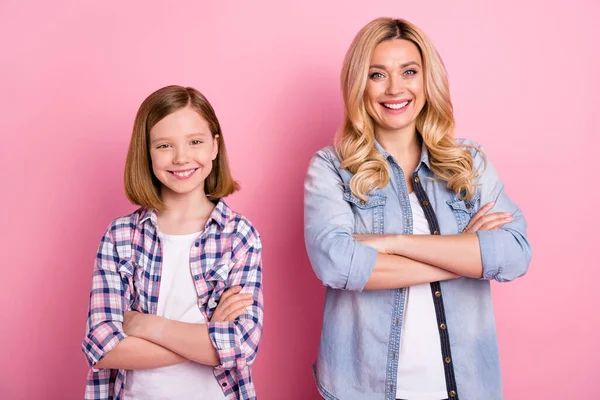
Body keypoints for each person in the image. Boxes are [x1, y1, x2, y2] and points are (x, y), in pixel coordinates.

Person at [304, 18, 531, 400]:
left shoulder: (468, 162)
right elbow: (337, 263)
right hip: (364, 389)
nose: (395, 88)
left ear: (428, 80)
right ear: (360, 83)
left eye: (409, 71)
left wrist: (391, 242)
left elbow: (514, 254)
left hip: (466, 387)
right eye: (378, 74)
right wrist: (463, 253)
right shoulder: (331, 167)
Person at [81, 85, 263, 400]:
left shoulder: (239, 236)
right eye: (165, 145)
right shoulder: (121, 237)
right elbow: (103, 346)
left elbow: (241, 345)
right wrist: (207, 340)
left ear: (214, 147)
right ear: (147, 152)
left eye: (195, 141)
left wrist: (147, 326)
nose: (181, 157)